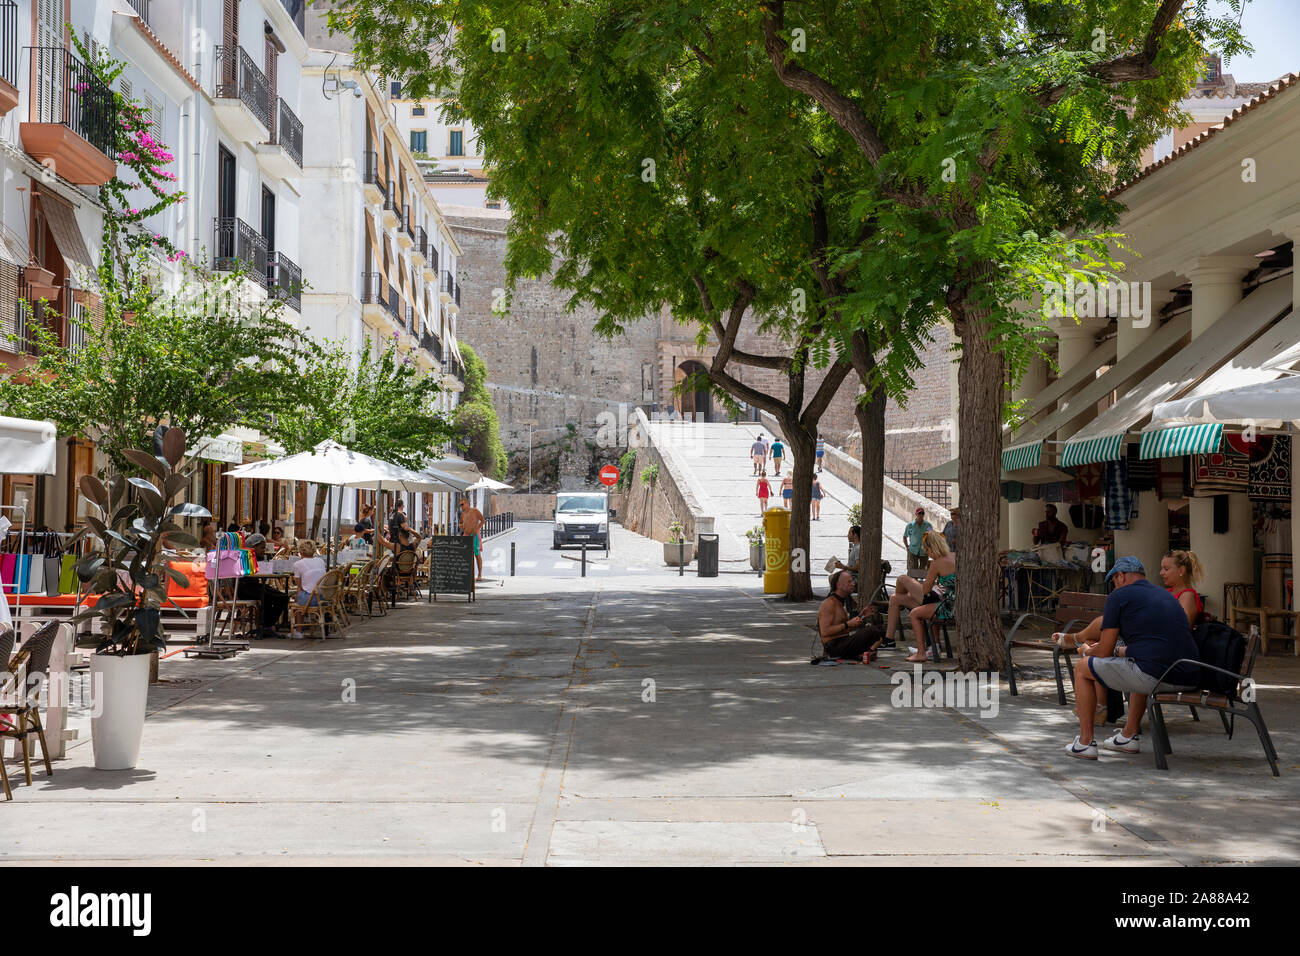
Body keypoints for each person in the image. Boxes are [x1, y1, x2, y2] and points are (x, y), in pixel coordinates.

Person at [1065, 557, 1201, 760]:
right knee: (1139, 664)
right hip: (1189, 675)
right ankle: (1128, 736)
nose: (1114, 586)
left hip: (1156, 676)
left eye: (1114, 581)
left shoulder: (1118, 597)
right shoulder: (1165, 595)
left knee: (1083, 669)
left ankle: (1085, 743)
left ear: (1120, 577)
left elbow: (1104, 651)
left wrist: (1087, 651)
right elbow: (1153, 644)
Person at [886, 531, 957, 663]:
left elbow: (925, 590)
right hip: (952, 602)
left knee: (903, 582)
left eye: (927, 551)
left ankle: (921, 653)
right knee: (895, 598)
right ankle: (933, 647)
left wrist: (921, 586)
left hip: (947, 606)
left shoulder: (936, 563)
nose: (927, 554)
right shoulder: (955, 556)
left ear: (931, 548)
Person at [816, 570, 884, 662]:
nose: (853, 584)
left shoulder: (840, 602)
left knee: (878, 631)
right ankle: (867, 652)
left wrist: (862, 616)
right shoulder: (829, 604)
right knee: (873, 631)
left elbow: (846, 629)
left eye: (852, 581)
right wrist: (847, 624)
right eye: (849, 582)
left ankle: (865, 653)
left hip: (844, 641)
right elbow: (825, 631)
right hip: (834, 648)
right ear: (839, 585)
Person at [235, 533, 289, 638]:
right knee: (267, 597)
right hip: (246, 589)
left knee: (283, 597)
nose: (264, 550)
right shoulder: (245, 558)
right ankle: (265, 625)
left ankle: (267, 625)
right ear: (253, 547)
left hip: (257, 587)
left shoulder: (259, 558)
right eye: (262, 548)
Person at [289, 541, 328, 639]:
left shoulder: (298, 564)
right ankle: (305, 621)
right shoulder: (321, 561)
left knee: (298, 594)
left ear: (300, 551)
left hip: (310, 599)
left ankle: (299, 630)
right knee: (301, 592)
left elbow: (299, 585)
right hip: (324, 597)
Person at [1159, 549, 1205, 626]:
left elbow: (1181, 628)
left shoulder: (1187, 596)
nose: (1161, 573)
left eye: (1166, 569)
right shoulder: (1168, 591)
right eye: (1161, 569)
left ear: (1181, 570)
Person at [458, 498, 485, 581]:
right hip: (466, 535)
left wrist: (477, 529)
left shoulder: (475, 511)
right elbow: (460, 523)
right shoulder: (462, 514)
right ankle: (467, 573)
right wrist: (461, 525)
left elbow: (483, 521)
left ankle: (480, 574)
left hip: (475, 535)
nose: (461, 506)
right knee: (465, 555)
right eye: (460, 505)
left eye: (462, 504)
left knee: (477, 554)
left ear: (467, 503)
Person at [904, 507, 932, 577]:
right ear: (916, 514)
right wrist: (907, 546)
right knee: (913, 571)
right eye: (919, 513)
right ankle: (912, 586)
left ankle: (920, 586)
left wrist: (929, 547)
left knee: (923, 572)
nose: (921, 515)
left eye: (922, 513)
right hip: (913, 550)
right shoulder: (910, 525)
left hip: (924, 551)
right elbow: (905, 536)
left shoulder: (928, 525)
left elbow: (931, 536)